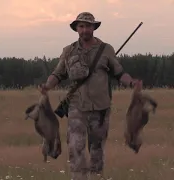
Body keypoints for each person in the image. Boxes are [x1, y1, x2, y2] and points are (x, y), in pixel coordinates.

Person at [38, 12, 138, 180]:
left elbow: (120, 73)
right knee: (75, 147)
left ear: (94, 28)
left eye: (88, 26)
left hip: (101, 109)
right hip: (77, 107)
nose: (85, 30)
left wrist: (131, 82)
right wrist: (47, 86)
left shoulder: (106, 50)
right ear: (76, 29)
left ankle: (96, 177)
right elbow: (57, 74)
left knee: (96, 150)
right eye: (81, 26)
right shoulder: (68, 51)